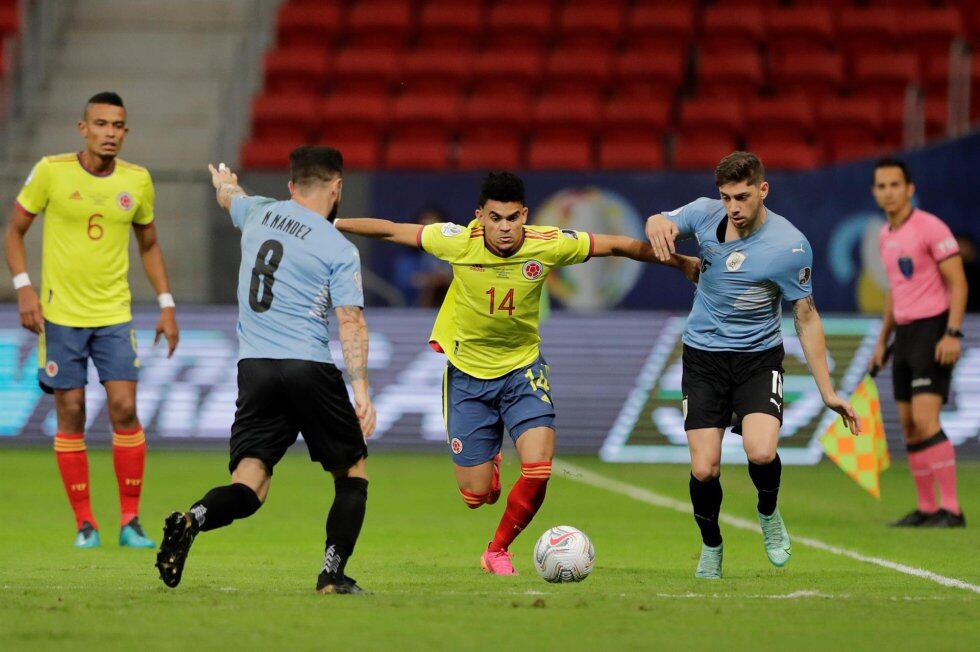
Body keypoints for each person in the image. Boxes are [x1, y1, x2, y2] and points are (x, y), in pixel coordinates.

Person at [336, 171, 700, 575]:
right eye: (495, 218)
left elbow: (617, 245)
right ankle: (488, 462)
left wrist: (679, 260)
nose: (505, 228)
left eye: (512, 218)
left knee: (539, 466)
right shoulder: (458, 240)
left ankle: (497, 550)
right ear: (480, 217)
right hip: (467, 375)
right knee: (476, 495)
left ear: (524, 215)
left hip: (522, 370)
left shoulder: (549, 244)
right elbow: (390, 230)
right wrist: (332, 222)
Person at [155, 147, 377, 594]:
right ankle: (332, 574)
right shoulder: (339, 247)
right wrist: (361, 389)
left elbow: (230, 196)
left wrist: (222, 181)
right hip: (307, 366)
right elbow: (349, 320)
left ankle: (191, 517)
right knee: (351, 471)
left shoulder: (259, 214)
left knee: (250, 484)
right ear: (337, 188)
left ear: (292, 186)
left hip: (254, 367)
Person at [645, 151, 859, 580]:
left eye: (742, 197)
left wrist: (828, 391)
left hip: (758, 359)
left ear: (763, 190)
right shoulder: (705, 216)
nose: (733, 208)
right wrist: (657, 222)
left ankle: (768, 512)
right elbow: (659, 219)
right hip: (703, 357)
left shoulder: (789, 246)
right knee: (704, 468)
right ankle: (711, 546)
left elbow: (806, 316)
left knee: (761, 451)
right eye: (725, 197)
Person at [3, 91, 179, 549]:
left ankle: (130, 521)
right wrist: (24, 287)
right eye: (100, 124)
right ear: (83, 129)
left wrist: (166, 304)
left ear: (125, 132)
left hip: (114, 314)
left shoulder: (137, 181)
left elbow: (149, 245)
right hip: (61, 316)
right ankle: (85, 523)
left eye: (118, 126)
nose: (110, 133)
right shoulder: (51, 172)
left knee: (124, 409)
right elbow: (15, 231)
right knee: (72, 412)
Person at [869, 158, 966, 528]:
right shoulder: (885, 235)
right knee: (909, 424)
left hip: (933, 328)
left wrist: (952, 332)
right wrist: (882, 340)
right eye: (882, 186)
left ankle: (952, 509)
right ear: (875, 192)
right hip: (905, 334)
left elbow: (958, 282)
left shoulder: (930, 227)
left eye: (895, 185)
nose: (888, 192)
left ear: (909, 189)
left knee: (927, 419)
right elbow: (896, 290)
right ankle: (927, 508)